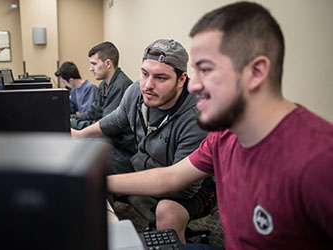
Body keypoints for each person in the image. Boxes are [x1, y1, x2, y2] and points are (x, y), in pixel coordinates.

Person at [105, 2, 333, 250]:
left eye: (206, 70)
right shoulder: (224, 135)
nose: (192, 86)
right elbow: (171, 177)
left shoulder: (319, 161)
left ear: (256, 72)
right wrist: (101, 182)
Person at [72, 39, 212, 243]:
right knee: (94, 161)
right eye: (145, 73)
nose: (148, 85)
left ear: (181, 79)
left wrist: (109, 184)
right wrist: (79, 134)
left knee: (168, 212)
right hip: (146, 164)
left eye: (161, 78)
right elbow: (116, 119)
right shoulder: (137, 91)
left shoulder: (197, 116)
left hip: (194, 185)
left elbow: (180, 185)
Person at [70, 41, 132, 129]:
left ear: (108, 63)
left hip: (119, 141)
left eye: (94, 64)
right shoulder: (103, 85)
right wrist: (73, 118)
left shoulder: (120, 86)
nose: (90, 69)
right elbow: (94, 113)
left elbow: (106, 125)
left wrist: (75, 124)